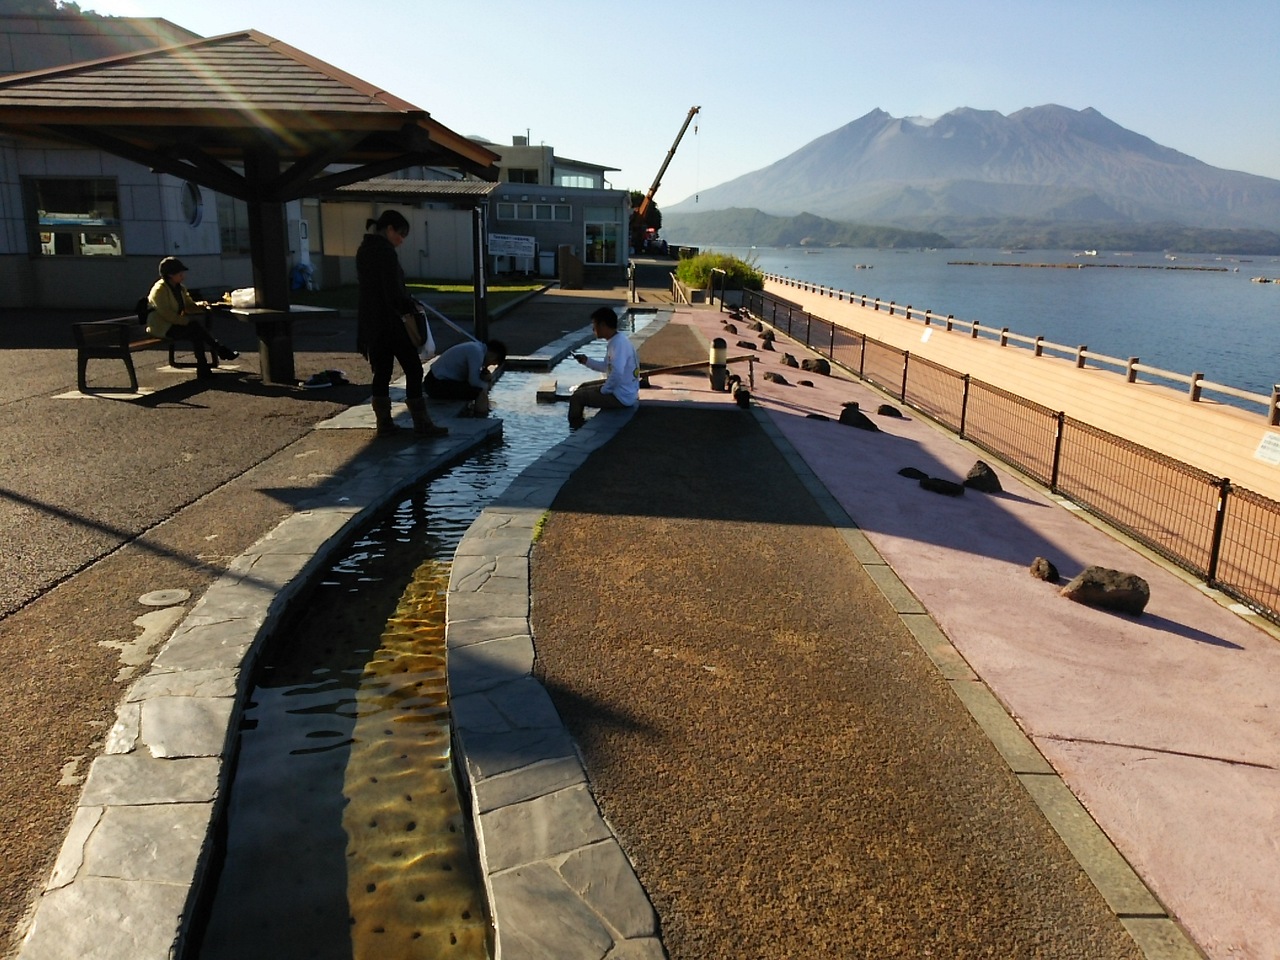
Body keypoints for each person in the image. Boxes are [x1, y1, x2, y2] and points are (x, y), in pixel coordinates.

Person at [356, 210, 446, 438]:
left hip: (372, 322)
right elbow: (392, 291)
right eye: (401, 234)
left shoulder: (364, 250)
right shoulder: (385, 252)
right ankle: (422, 423)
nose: (402, 240)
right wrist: (409, 304)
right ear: (389, 229)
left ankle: (384, 424)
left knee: (382, 372)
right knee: (414, 369)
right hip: (392, 323)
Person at [144, 257, 239, 380]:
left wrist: (203, 306)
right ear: (170, 275)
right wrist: (186, 321)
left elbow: (188, 305)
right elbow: (166, 313)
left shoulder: (180, 288)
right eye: (180, 274)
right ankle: (218, 352)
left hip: (175, 325)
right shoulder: (159, 290)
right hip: (161, 327)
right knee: (195, 328)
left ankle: (206, 366)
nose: (183, 276)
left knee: (196, 333)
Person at [568, 307, 640, 427]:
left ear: (602, 325)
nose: (593, 329)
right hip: (624, 391)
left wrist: (604, 390)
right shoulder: (617, 341)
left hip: (621, 396)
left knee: (576, 398)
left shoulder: (618, 344)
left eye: (594, 324)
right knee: (583, 387)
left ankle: (575, 428)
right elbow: (606, 367)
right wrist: (587, 361)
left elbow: (617, 373)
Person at [424, 338, 507, 415]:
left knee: (477, 390)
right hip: (435, 384)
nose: (488, 365)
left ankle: (483, 410)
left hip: (436, 380)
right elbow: (474, 381)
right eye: (492, 363)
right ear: (494, 356)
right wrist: (486, 386)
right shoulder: (476, 352)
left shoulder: (476, 348)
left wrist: (486, 378)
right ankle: (481, 416)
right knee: (479, 392)